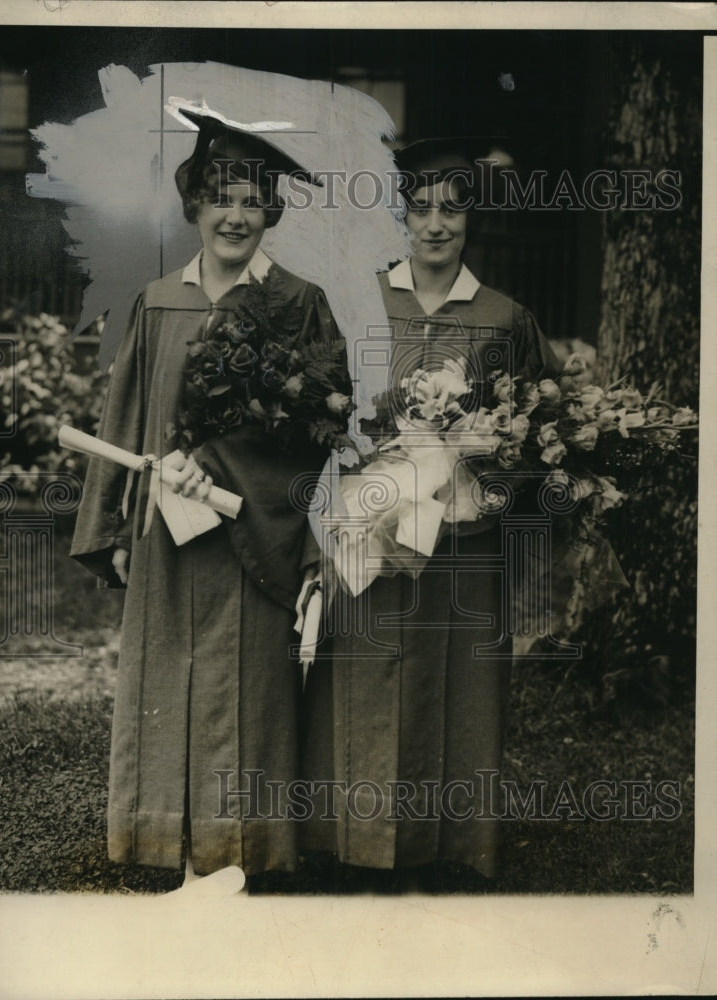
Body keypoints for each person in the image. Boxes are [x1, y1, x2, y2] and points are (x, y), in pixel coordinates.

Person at [70, 114, 349, 882]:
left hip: (255, 534)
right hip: (166, 531)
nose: (235, 214)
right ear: (194, 202)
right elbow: (125, 415)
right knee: (167, 670)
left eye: (253, 198)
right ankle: (165, 837)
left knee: (249, 684)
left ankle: (244, 848)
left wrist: (223, 471)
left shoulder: (300, 303)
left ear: (272, 211)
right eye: (220, 195)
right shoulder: (159, 302)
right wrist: (113, 526)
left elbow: (318, 429)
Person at [302, 139, 561, 892]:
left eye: (452, 207)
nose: (437, 224)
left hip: (464, 542)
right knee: (365, 674)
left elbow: (538, 436)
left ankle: (453, 845)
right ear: (399, 216)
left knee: (456, 684)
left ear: (471, 214)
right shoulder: (358, 303)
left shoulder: (504, 318)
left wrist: (484, 464)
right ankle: (351, 837)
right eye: (420, 208)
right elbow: (323, 414)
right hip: (369, 528)